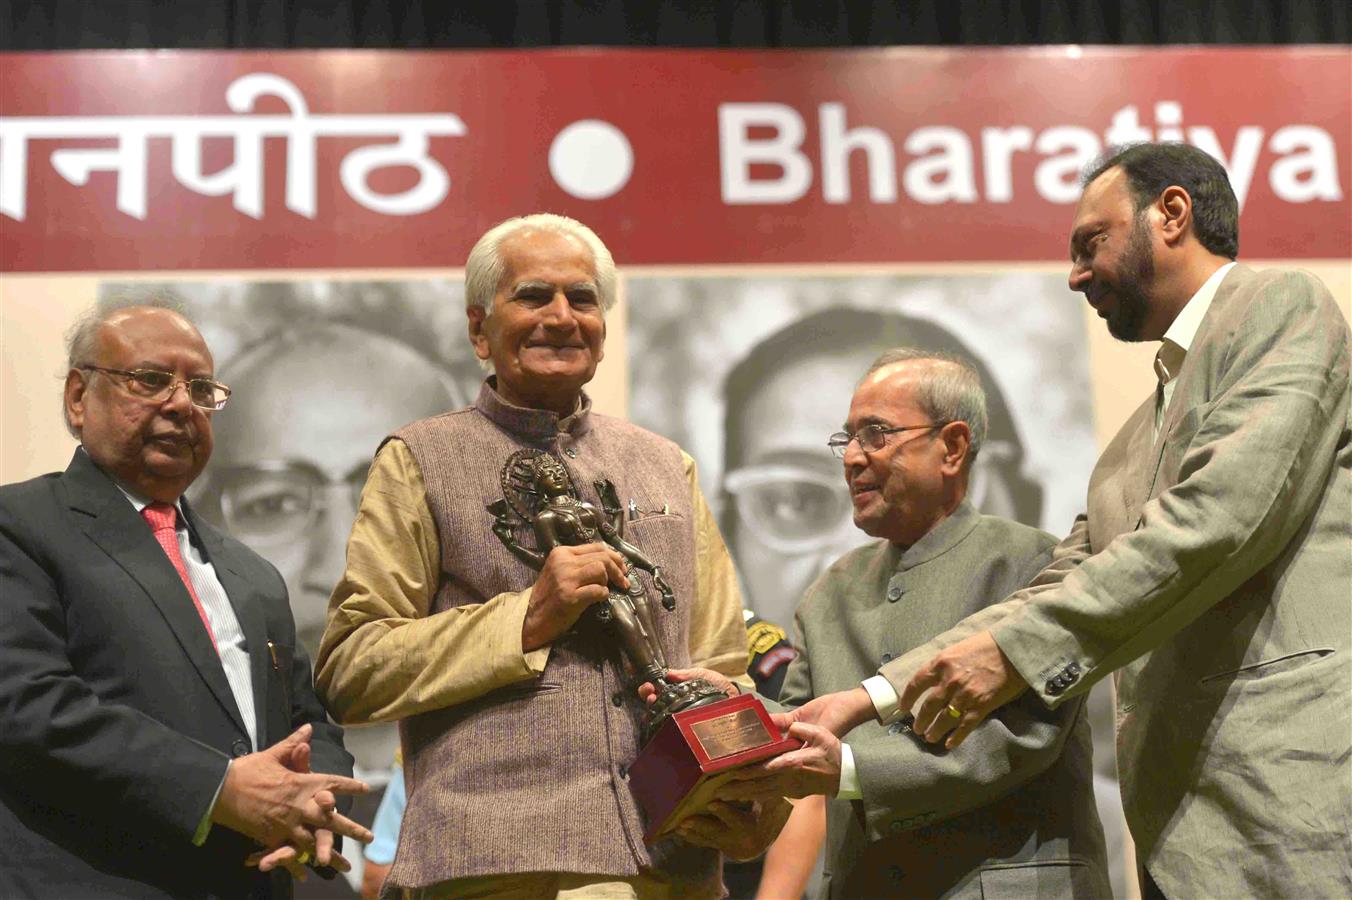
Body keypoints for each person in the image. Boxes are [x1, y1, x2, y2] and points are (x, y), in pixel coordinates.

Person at [788, 142, 1352, 898]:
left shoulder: (1282, 306)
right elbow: (1054, 589)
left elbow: (1219, 524)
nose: (1076, 274)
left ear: (1173, 214)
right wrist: (872, 696)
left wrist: (1010, 656)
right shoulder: (1127, 447)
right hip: (1184, 830)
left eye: (1092, 243)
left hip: (1290, 794)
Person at [314, 213, 752, 898]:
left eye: (582, 299)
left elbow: (725, 666)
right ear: (478, 329)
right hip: (494, 868)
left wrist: (748, 799)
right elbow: (352, 669)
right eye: (533, 295)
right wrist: (525, 620)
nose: (561, 316)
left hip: (675, 868)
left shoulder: (667, 467)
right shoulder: (422, 460)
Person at [665, 350, 1110, 898]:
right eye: (847, 438)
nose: (851, 457)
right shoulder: (832, 590)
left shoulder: (1030, 563)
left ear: (952, 447)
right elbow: (796, 722)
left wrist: (848, 768)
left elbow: (1018, 739)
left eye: (875, 434)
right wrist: (727, 706)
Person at [0, 301, 373, 898]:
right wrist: (217, 789)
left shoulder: (252, 572)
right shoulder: (18, 525)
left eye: (200, 389)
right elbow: (28, 704)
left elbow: (307, 717)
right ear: (78, 397)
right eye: (150, 380)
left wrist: (315, 795)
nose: (180, 404)